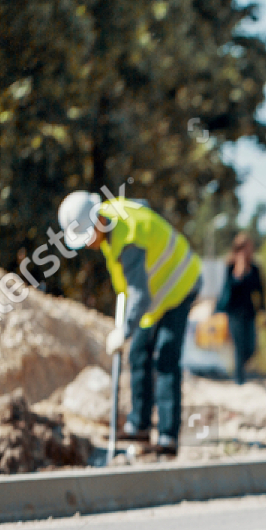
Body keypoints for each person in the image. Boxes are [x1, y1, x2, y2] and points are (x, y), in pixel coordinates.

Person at [58, 191, 202, 456]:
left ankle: (168, 437)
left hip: (180, 284)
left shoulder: (128, 240)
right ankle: (139, 426)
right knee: (138, 353)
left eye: (87, 235)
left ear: (98, 220)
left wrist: (124, 329)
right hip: (156, 297)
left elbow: (140, 294)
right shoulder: (112, 218)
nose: (88, 243)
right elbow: (143, 206)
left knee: (166, 356)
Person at [217, 232, 266, 385]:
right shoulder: (230, 267)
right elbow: (228, 290)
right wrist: (238, 274)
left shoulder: (255, 269)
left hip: (249, 312)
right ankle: (239, 381)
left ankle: (241, 374)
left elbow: (260, 291)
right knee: (238, 347)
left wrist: (264, 311)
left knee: (250, 347)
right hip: (234, 313)